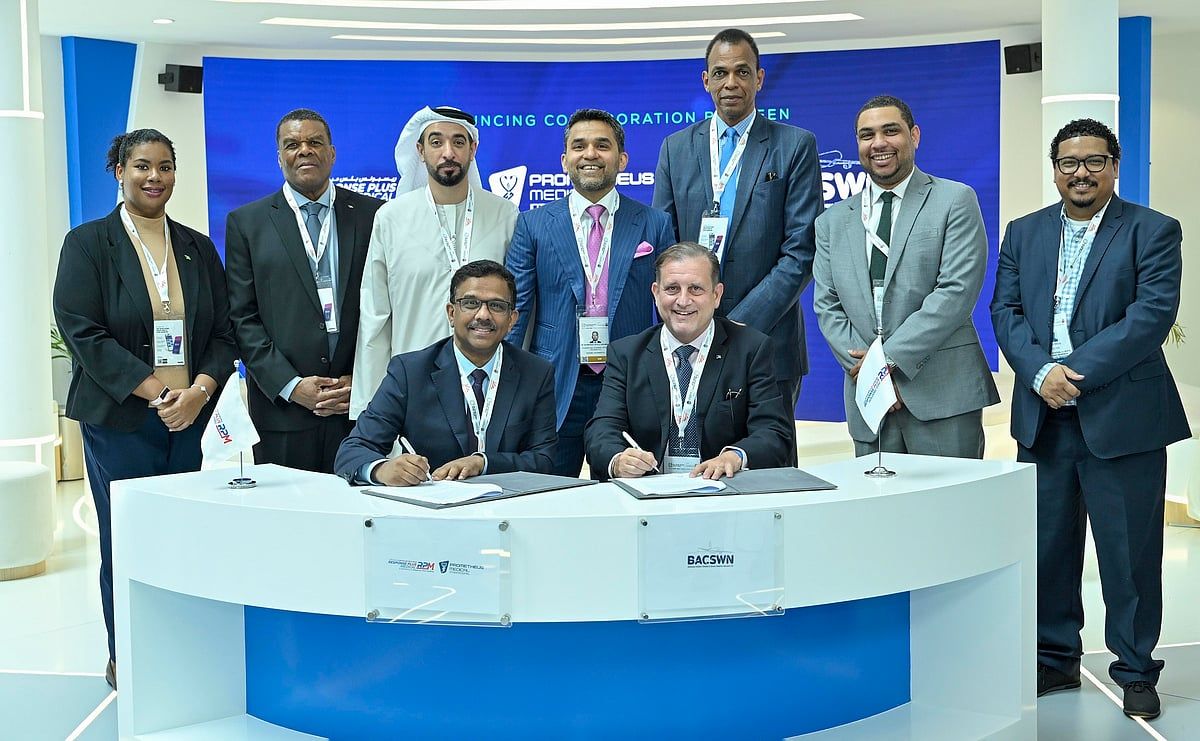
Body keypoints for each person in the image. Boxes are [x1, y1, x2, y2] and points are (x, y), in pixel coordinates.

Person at [991, 118, 1188, 720]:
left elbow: (1150, 316)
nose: (1081, 173)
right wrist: (1037, 374)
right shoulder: (1023, 232)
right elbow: (1005, 311)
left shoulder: (1152, 230)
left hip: (1121, 418)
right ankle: (1055, 660)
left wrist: (1069, 374)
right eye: (1069, 162)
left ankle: (1136, 670)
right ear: (1054, 169)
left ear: (1114, 167)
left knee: (1129, 556)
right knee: (1049, 548)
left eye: (1094, 161)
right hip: (1043, 419)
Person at [52, 129, 237, 690]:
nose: (154, 177)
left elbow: (224, 332)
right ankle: (128, 656)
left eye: (165, 166)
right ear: (120, 171)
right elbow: (83, 331)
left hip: (190, 419)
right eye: (142, 166)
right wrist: (158, 393)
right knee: (127, 539)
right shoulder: (88, 243)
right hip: (122, 421)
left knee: (181, 537)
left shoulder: (197, 247)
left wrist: (198, 392)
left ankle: (178, 649)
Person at [653, 28, 823, 433]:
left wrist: (732, 328)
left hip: (768, 341)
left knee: (769, 459)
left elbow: (801, 251)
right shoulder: (675, 148)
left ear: (759, 79)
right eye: (721, 72)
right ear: (706, 80)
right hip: (689, 337)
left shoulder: (794, 145)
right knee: (698, 457)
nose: (731, 82)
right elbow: (664, 243)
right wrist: (696, 315)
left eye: (742, 72)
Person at [813, 95, 998, 457]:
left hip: (941, 394)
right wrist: (872, 375)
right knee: (875, 496)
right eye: (867, 135)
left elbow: (955, 293)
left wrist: (887, 361)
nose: (878, 143)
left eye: (890, 131)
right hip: (869, 400)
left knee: (949, 496)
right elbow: (827, 305)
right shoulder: (831, 221)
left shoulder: (955, 200)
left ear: (914, 136)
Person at [506, 109, 674, 477]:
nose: (590, 154)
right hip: (556, 382)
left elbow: (671, 309)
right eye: (579, 146)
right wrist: (508, 386)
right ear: (564, 160)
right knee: (548, 493)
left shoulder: (654, 223)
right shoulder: (533, 224)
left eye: (602, 145)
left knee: (626, 493)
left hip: (627, 383)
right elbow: (516, 311)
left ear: (622, 159)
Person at [225, 108, 383, 473]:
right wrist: (292, 385)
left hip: (357, 408)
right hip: (283, 413)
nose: (304, 150)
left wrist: (362, 380)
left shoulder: (374, 215)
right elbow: (242, 318)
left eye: (315, 142)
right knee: (287, 508)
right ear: (279, 156)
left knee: (359, 505)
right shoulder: (247, 223)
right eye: (292, 144)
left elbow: (387, 308)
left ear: (332, 153)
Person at [351, 106, 518, 419]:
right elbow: (375, 316)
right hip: (413, 390)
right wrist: (370, 409)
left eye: (458, 142)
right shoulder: (391, 218)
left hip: (488, 388)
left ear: (473, 149)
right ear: (420, 150)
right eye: (436, 142)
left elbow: (516, 310)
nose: (448, 152)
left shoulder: (505, 215)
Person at [584, 242, 793, 480]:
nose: (683, 300)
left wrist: (735, 456)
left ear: (716, 295)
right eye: (672, 288)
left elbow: (774, 433)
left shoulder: (751, 349)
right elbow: (601, 431)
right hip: (650, 491)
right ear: (656, 293)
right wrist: (619, 460)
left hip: (722, 490)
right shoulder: (627, 354)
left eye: (695, 289)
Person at [336, 260, 557, 484]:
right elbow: (353, 450)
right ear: (451, 313)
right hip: (432, 501)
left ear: (512, 320)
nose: (483, 315)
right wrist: (381, 469)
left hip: (508, 502)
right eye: (470, 303)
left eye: (497, 306)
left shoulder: (537, 374)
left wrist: (483, 463)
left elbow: (544, 460)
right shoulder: (410, 372)